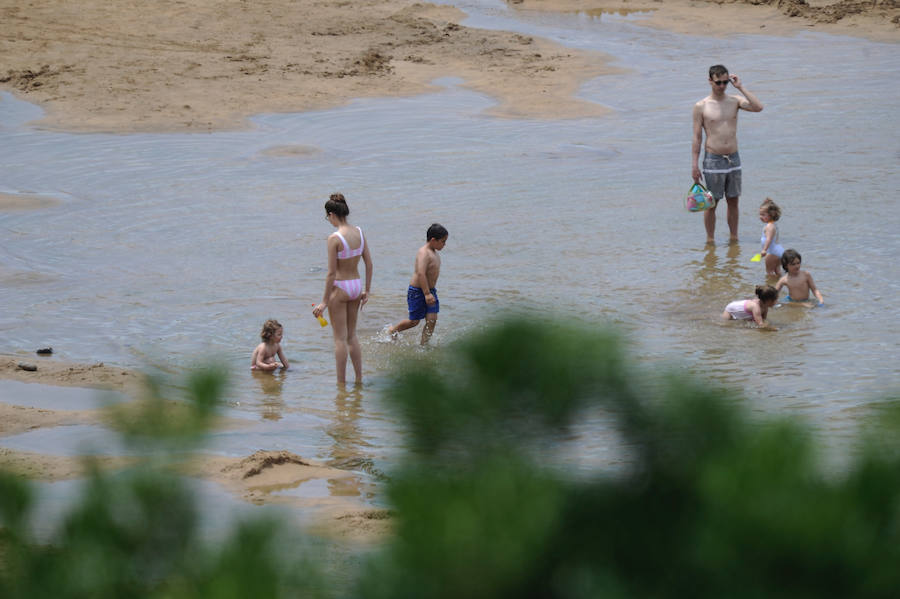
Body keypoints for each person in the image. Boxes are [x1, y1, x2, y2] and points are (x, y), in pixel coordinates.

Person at [692, 64, 764, 244]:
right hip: (713, 160)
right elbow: (696, 138)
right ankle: (710, 241)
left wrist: (740, 87)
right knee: (712, 203)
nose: (722, 86)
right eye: (718, 82)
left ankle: (734, 238)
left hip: (733, 158)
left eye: (725, 82)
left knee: (733, 201)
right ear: (710, 81)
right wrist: (694, 165)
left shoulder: (735, 100)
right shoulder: (701, 106)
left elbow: (758, 107)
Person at [313, 193, 373, 385]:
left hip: (340, 287)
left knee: (339, 339)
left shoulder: (334, 238)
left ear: (331, 214)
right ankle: (358, 379)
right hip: (356, 285)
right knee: (352, 336)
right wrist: (367, 290)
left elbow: (331, 273)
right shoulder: (360, 232)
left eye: (327, 217)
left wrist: (323, 302)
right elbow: (369, 263)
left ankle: (341, 384)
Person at [387, 223, 449, 345]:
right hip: (418, 291)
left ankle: (423, 345)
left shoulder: (434, 253)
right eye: (443, 241)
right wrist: (426, 293)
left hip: (431, 291)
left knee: (432, 320)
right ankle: (393, 330)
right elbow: (421, 273)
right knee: (414, 321)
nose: (444, 244)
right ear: (433, 240)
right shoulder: (424, 252)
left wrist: (429, 292)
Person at [759, 198, 785, 277]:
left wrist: (764, 250)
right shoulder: (773, 225)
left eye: (763, 215)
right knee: (777, 271)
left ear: (771, 215)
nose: (760, 217)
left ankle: (771, 287)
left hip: (772, 253)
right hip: (779, 252)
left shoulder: (769, 226)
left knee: (769, 272)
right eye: (760, 214)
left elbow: (769, 239)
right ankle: (780, 285)